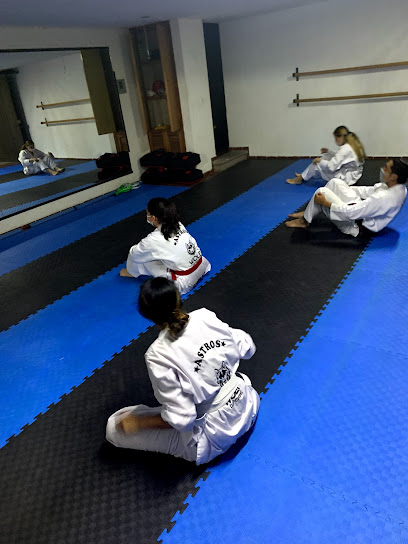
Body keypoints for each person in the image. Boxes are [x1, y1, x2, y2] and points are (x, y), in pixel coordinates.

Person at [106, 278, 260, 465]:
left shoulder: (158, 354)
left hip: (214, 437)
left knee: (114, 428)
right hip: (248, 404)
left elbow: (183, 420)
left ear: (145, 314)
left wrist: (138, 423)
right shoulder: (205, 316)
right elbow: (248, 348)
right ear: (178, 298)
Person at [285, 158, 408, 237]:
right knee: (335, 183)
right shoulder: (400, 187)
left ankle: (304, 221)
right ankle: (309, 211)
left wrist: (326, 203)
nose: (383, 169)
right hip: (362, 213)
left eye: (386, 168)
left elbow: (351, 213)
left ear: (394, 177)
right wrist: (345, 189)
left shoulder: (383, 198)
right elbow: (366, 191)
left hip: (356, 227)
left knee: (322, 192)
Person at [120, 197, 211, 295]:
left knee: (142, 259)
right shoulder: (178, 224)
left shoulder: (153, 239)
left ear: (154, 218)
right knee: (161, 253)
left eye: (147, 213)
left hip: (185, 282)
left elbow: (134, 255)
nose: (147, 216)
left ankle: (131, 272)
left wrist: (144, 248)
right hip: (202, 265)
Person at [286, 126, 366, 186]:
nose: (335, 141)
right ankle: (304, 175)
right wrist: (328, 151)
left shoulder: (345, 149)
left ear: (339, 138)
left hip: (346, 179)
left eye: (335, 138)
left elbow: (331, 166)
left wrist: (320, 161)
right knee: (326, 156)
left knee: (317, 164)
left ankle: (300, 179)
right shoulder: (352, 144)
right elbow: (341, 156)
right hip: (354, 174)